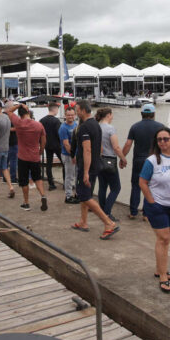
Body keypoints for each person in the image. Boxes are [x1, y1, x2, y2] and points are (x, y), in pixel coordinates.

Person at [139, 126, 170, 293]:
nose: (163, 142)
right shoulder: (152, 161)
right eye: (159, 140)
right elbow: (142, 182)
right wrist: (151, 201)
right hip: (157, 205)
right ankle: (163, 276)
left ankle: (160, 268)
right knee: (163, 238)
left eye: (166, 139)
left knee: (166, 239)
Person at [72, 100, 119, 240]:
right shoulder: (96, 125)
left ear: (82, 110)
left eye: (77, 109)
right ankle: (83, 222)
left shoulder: (85, 127)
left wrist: (86, 171)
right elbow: (100, 148)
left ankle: (109, 223)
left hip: (88, 167)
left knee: (85, 196)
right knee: (84, 195)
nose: (75, 112)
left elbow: (87, 149)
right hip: (95, 164)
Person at [122, 104, 165, 220]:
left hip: (138, 161)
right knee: (150, 187)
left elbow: (128, 144)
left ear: (141, 114)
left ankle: (133, 212)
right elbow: (165, 144)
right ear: (154, 114)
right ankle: (146, 214)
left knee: (136, 186)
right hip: (154, 161)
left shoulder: (135, 127)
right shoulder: (160, 127)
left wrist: (122, 158)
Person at [5, 103, 48, 211]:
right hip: (35, 157)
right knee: (37, 178)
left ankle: (26, 202)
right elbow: (43, 141)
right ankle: (43, 195)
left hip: (23, 157)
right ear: (28, 112)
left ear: (19, 115)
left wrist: (18, 104)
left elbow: (8, 111)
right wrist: (41, 151)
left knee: (24, 181)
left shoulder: (18, 123)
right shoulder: (39, 125)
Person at [95, 108, 126, 221]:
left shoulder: (96, 127)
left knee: (102, 186)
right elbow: (116, 147)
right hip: (110, 160)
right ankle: (107, 213)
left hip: (98, 160)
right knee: (116, 188)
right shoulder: (110, 129)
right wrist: (123, 158)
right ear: (108, 115)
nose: (112, 117)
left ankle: (102, 211)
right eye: (112, 115)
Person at [40, 102, 63, 191]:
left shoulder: (42, 120)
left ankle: (51, 184)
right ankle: (66, 183)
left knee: (48, 165)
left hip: (47, 144)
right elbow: (59, 134)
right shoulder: (56, 121)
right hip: (57, 145)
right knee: (64, 163)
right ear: (55, 109)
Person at [58, 106, 79, 203]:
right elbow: (66, 144)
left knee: (78, 175)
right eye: (68, 115)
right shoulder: (63, 128)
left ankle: (78, 194)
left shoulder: (76, 125)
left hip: (77, 155)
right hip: (68, 155)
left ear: (75, 115)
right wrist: (73, 155)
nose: (70, 117)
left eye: (72, 115)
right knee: (69, 176)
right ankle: (68, 196)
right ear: (65, 116)